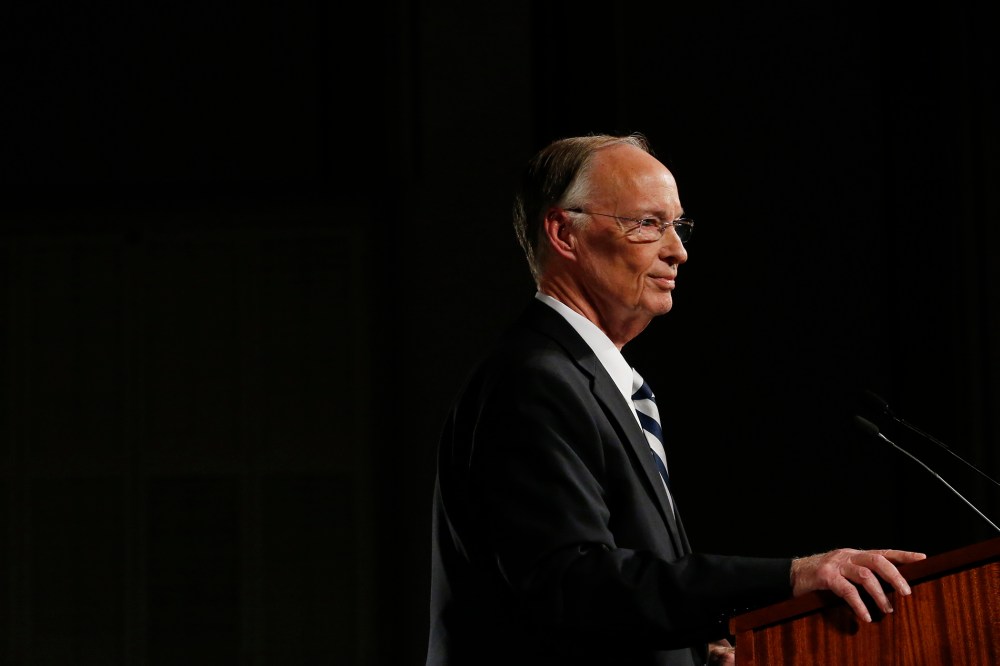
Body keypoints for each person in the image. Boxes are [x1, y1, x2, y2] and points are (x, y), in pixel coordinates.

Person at [425, 132, 926, 666]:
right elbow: (572, 583)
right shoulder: (534, 380)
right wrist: (792, 576)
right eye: (647, 224)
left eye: (677, 225)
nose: (678, 250)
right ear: (563, 232)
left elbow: (603, 597)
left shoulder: (592, 382)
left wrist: (692, 651)